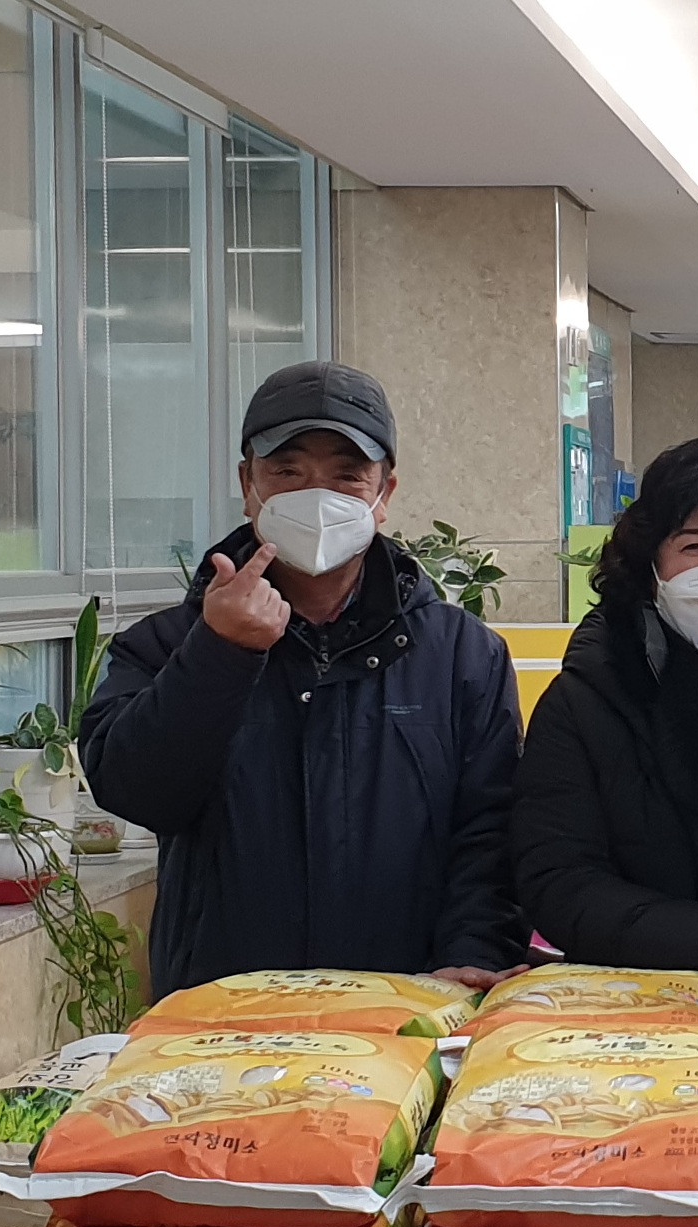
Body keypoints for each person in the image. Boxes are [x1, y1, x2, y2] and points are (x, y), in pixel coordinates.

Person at [81, 361, 527, 996]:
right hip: (223, 1010)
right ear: (248, 484)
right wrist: (220, 654)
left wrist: (473, 952)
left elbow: (491, 829)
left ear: (384, 494)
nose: (317, 497)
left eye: (347, 475)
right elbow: (137, 792)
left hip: (410, 1008)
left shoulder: (462, 655)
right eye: (287, 472)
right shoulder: (168, 644)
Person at [511, 435, 698, 976]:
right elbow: (557, 880)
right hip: (648, 994)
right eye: (693, 548)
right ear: (651, 563)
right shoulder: (585, 699)